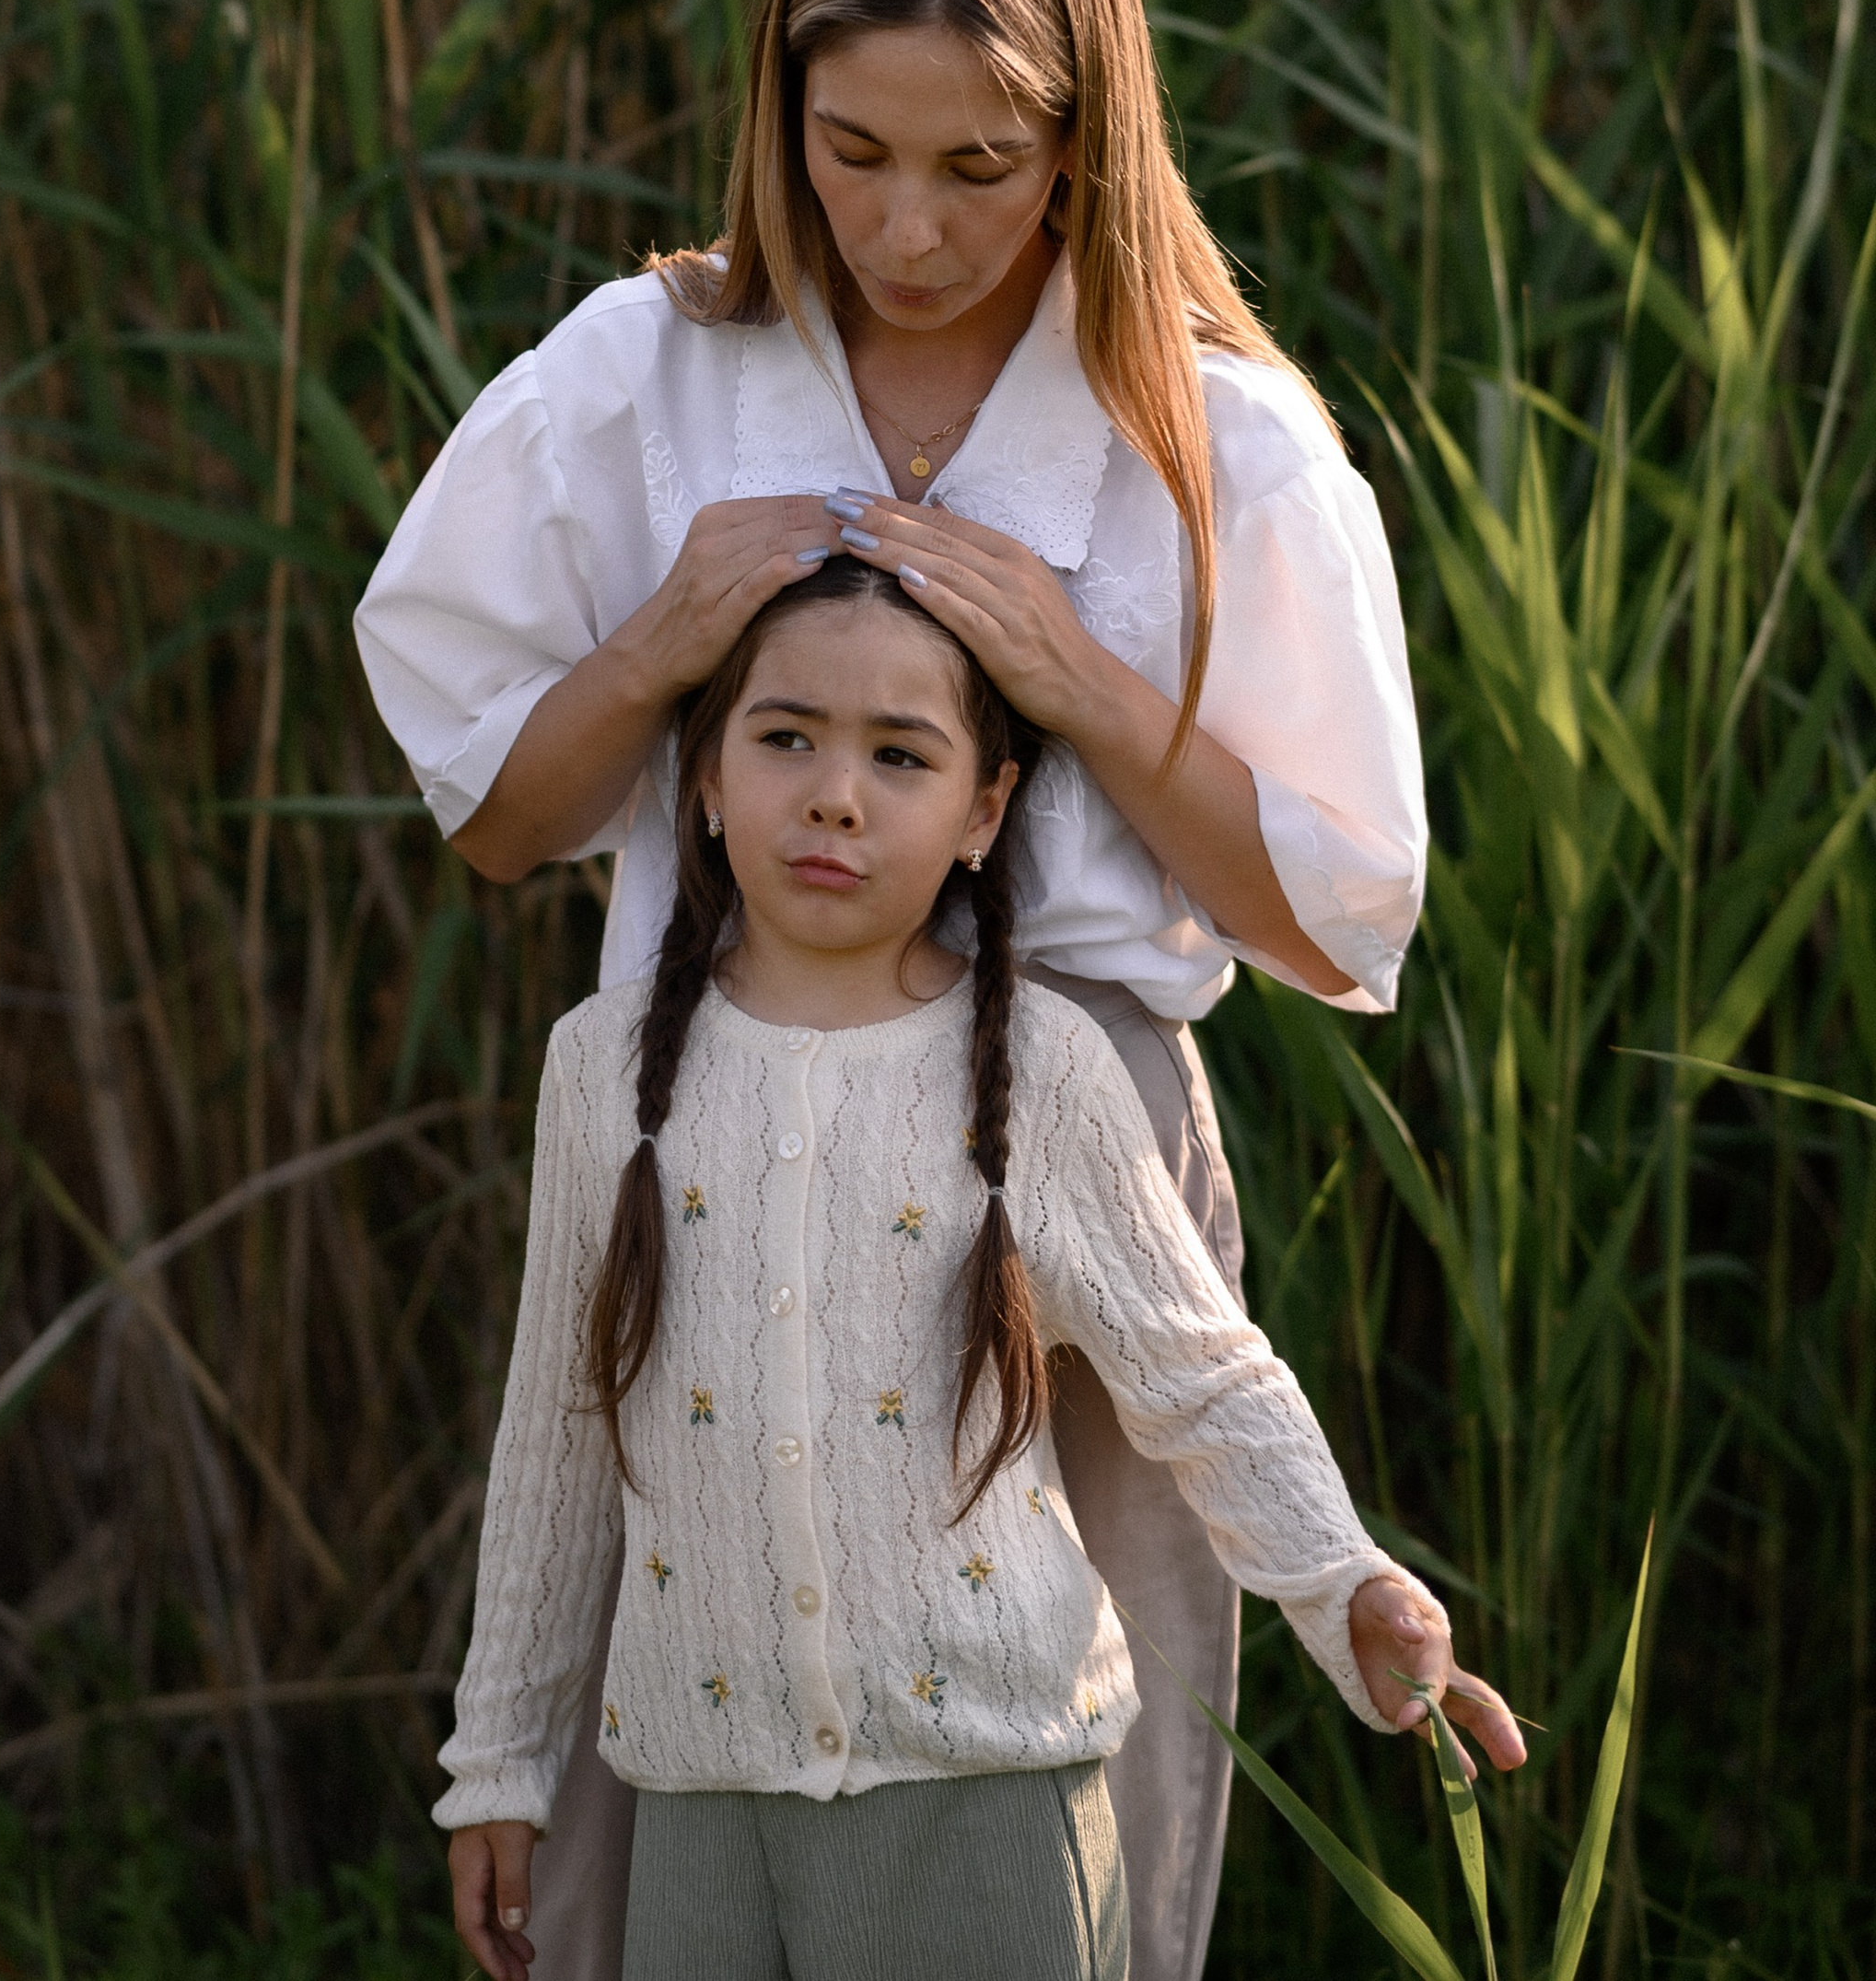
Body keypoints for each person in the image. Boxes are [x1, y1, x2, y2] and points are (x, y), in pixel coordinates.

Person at [355, 0, 1427, 1981]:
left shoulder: (1208, 436)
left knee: (1063, 1844)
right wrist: (659, 639)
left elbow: (1329, 922)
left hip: (1070, 1153)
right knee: (631, 1835)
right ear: (777, 101)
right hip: (707, 1099)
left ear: (1084, 131)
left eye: (978, 164)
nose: (905, 225)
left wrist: (1082, 681)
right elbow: (490, 814)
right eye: (850, 149)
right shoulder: (645, 373)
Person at [436, 560, 1520, 1981]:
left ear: (983, 812)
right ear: (701, 776)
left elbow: (1202, 1378)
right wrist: (499, 1766)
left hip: (991, 1811)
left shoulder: (1045, 1069)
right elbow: (557, 1437)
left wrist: (1346, 1585)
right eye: (785, 737)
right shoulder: (602, 1069)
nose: (836, 794)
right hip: (701, 1811)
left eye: (901, 756)